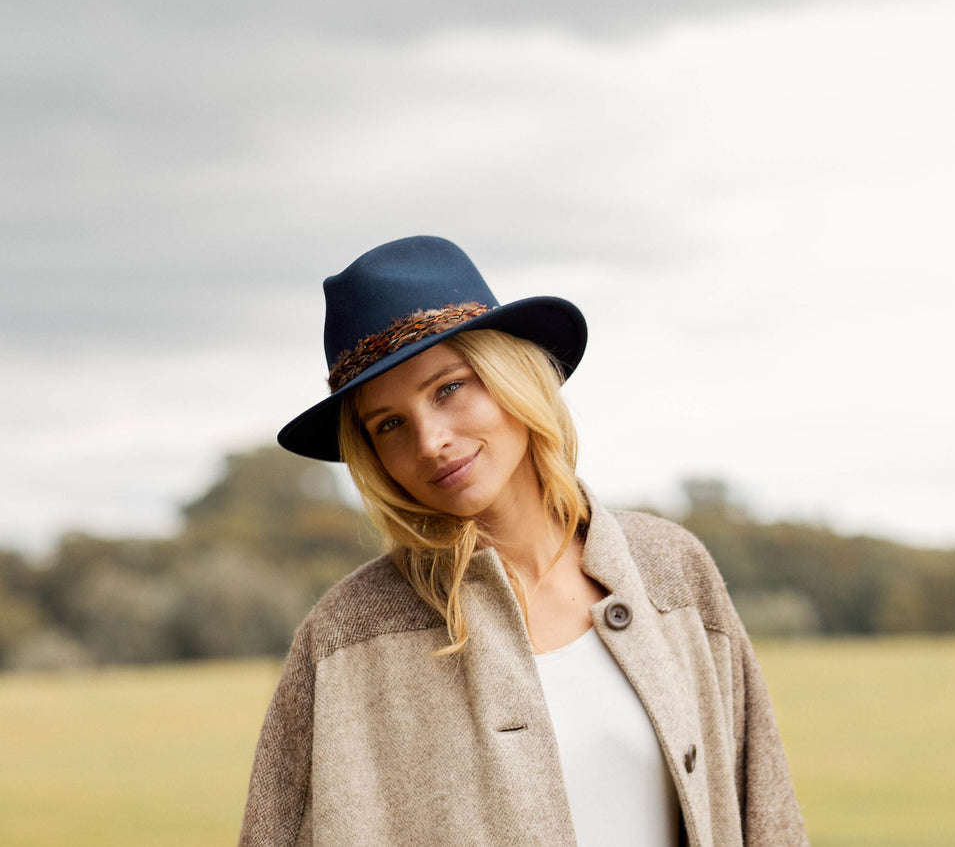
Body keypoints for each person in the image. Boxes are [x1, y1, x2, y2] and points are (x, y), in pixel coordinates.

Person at [239, 235, 807, 846]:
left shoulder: (671, 572)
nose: (430, 441)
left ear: (511, 374)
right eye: (391, 424)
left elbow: (765, 812)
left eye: (449, 388)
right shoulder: (346, 639)